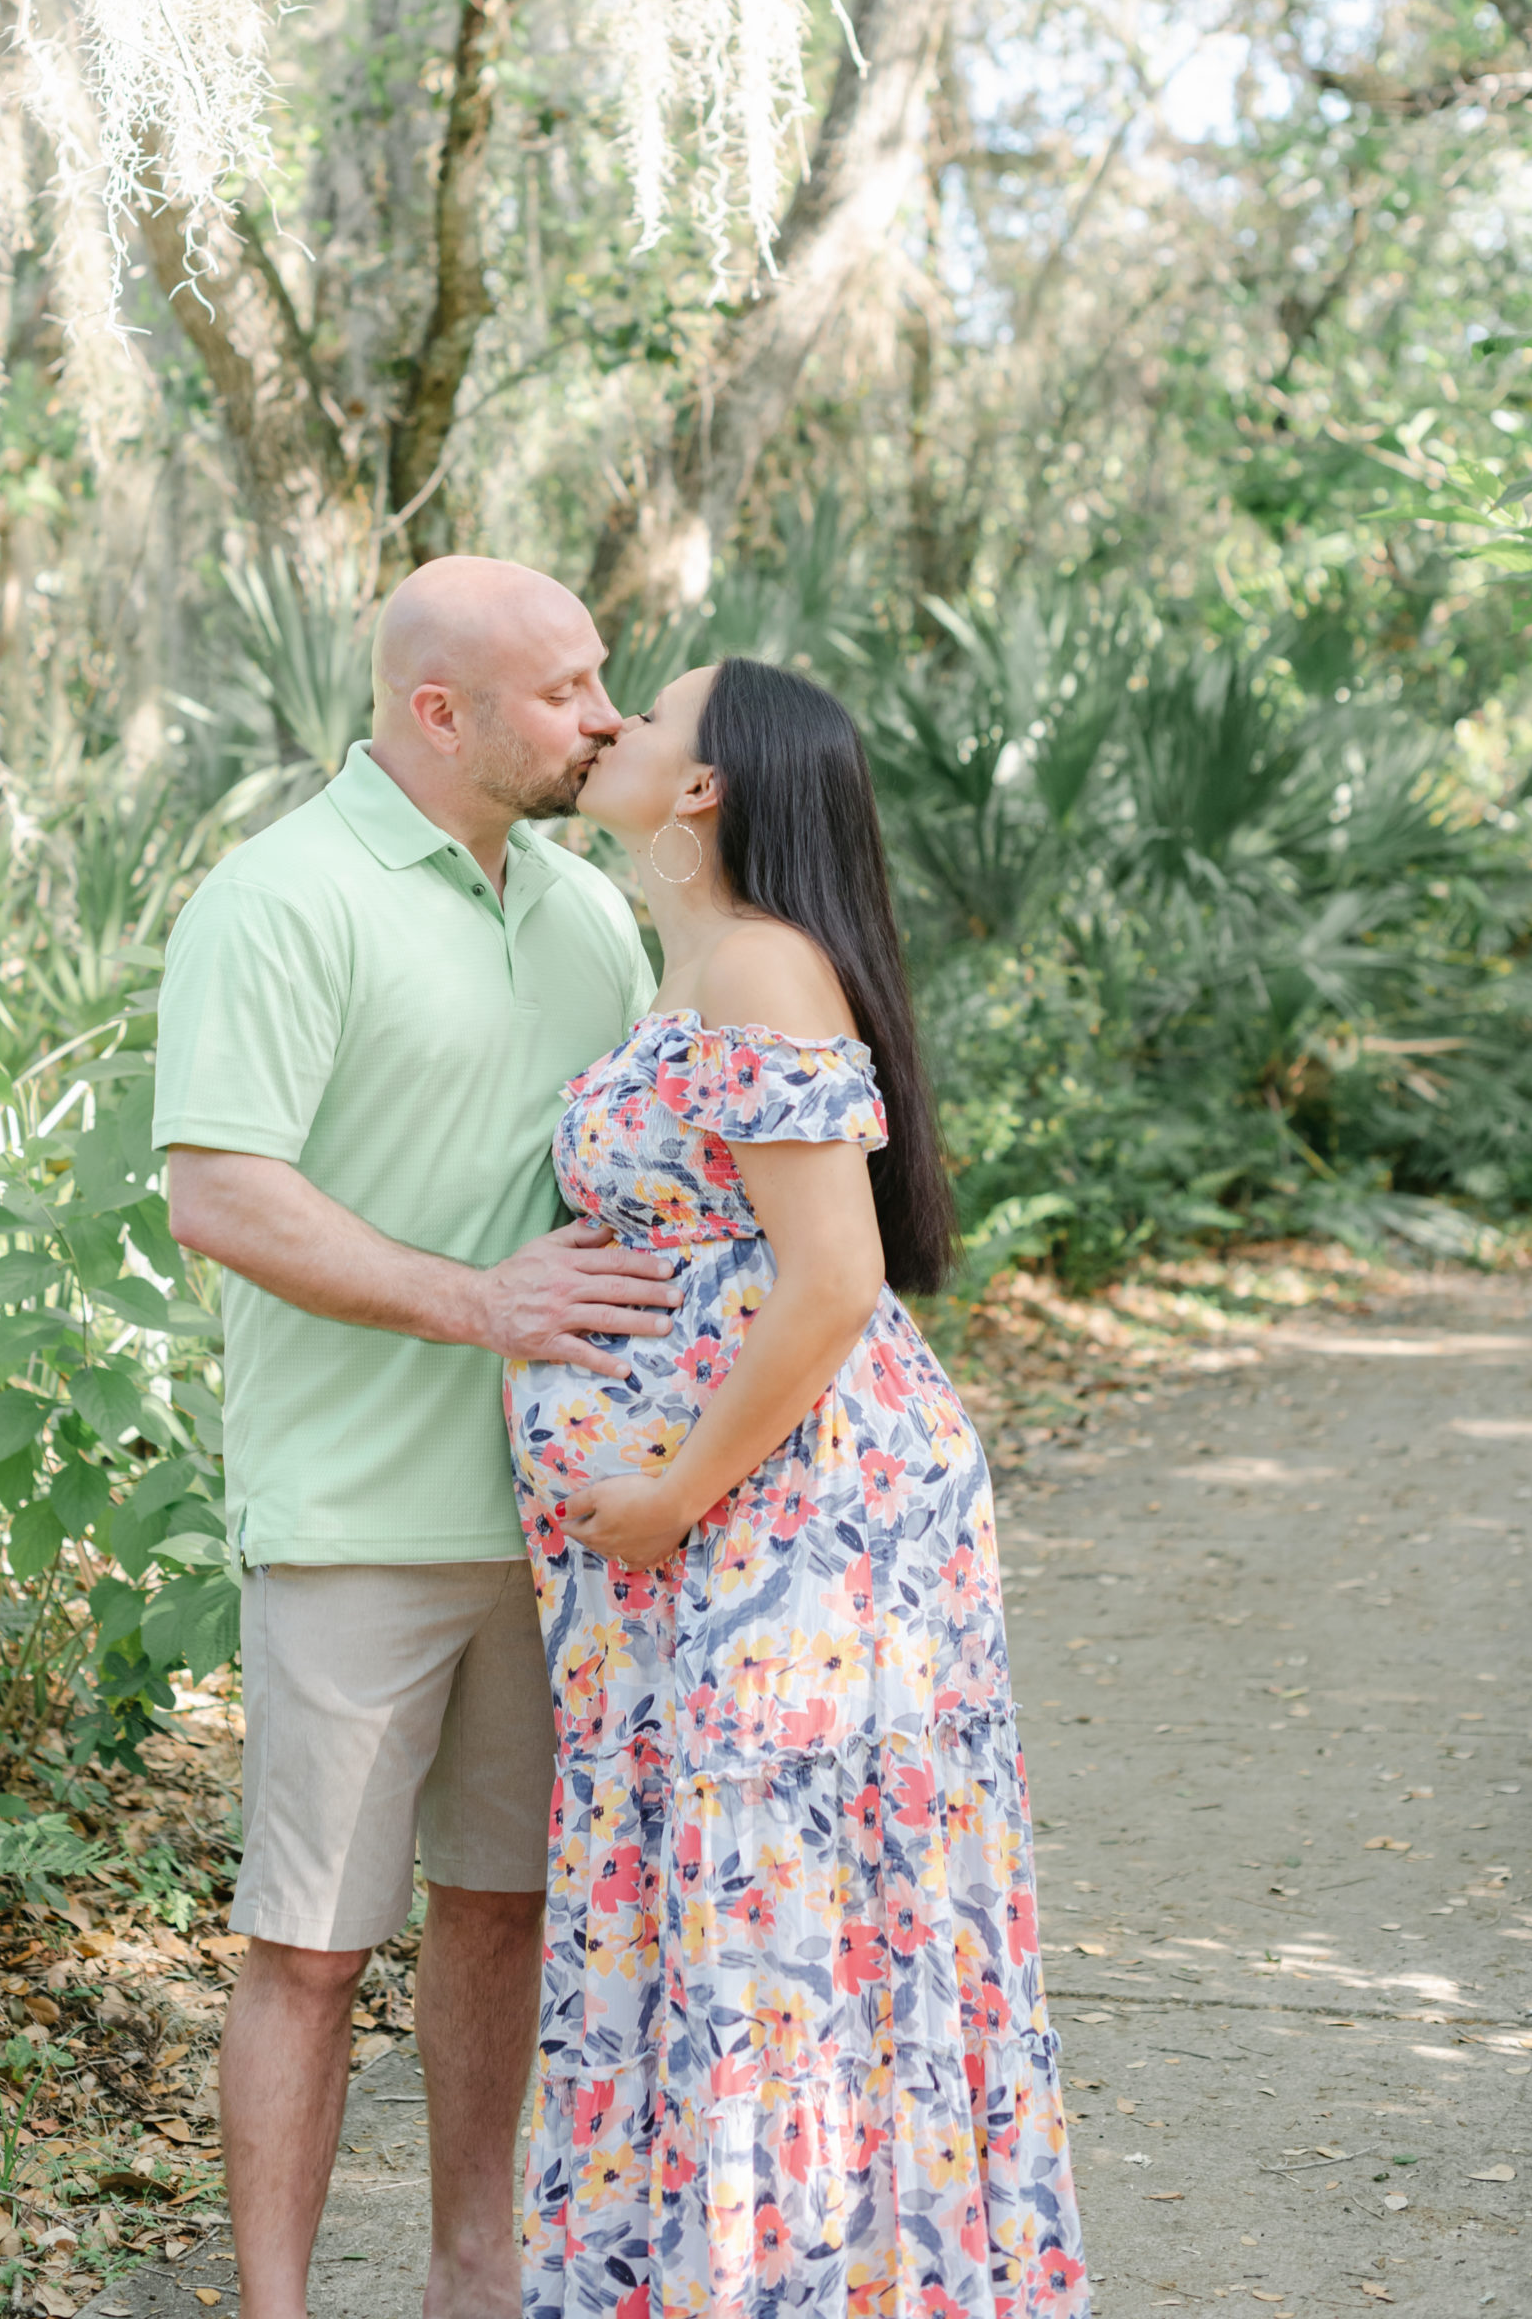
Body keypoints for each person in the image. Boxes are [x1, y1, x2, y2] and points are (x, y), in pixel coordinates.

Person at [506, 657, 1089, 2319]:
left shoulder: (758, 964)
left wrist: (675, 1490)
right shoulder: (683, 961)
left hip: (789, 1523)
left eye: (648, 715)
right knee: (734, 1904)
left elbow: (830, 1279)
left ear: (705, 789)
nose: (609, 724)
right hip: (709, 1529)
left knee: (784, 1910)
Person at [151, 557, 687, 2319]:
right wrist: (481, 1305)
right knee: (308, 1951)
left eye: (604, 680)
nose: (605, 716)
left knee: (506, 1913)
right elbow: (223, 1194)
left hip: (566, 1529)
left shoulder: (586, 910)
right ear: (436, 710)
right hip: (357, 1522)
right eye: (566, 690)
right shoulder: (281, 897)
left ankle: (475, 2279)